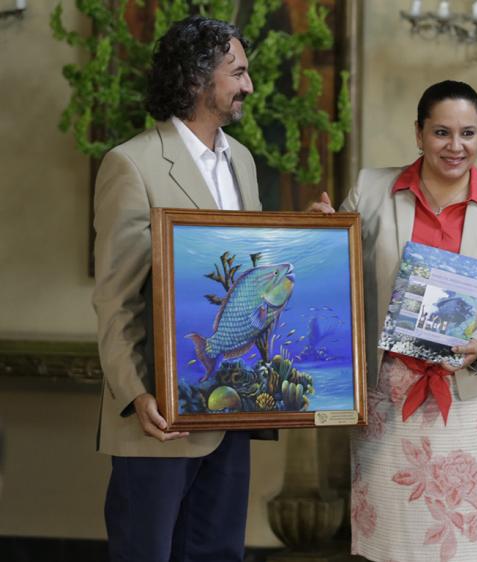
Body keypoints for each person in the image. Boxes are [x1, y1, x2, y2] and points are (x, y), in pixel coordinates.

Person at [325, 80, 477, 561]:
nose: (455, 146)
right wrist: (319, 229)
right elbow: (331, 270)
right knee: (389, 542)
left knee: (466, 546)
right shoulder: (370, 190)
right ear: (419, 133)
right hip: (388, 393)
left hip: (473, 393)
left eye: (467, 133)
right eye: (442, 132)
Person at [92, 16, 260, 562]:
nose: (248, 86)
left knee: (219, 554)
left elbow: (247, 271)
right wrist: (136, 395)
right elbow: (117, 299)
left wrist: (303, 232)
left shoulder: (243, 162)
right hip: (157, 419)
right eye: (237, 72)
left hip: (230, 413)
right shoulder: (131, 163)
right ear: (196, 80)